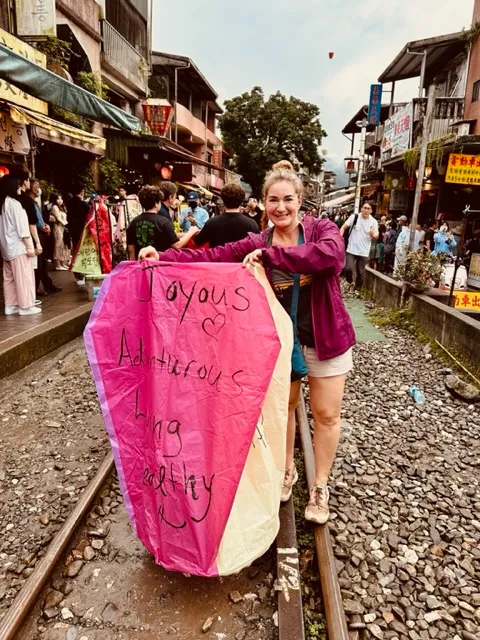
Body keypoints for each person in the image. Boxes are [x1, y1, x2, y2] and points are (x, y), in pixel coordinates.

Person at [138, 166, 356, 525]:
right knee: (283, 409)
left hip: (326, 337)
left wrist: (273, 258)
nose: (281, 207)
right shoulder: (258, 240)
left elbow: (331, 258)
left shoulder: (321, 230)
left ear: (300, 201)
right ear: (263, 204)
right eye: (274, 200)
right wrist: (163, 258)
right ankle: (286, 470)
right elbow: (212, 256)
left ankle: (320, 485)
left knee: (326, 414)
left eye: (288, 199)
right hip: (280, 341)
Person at [0, 176, 41, 315]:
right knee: (24, 276)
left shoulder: (3, 203)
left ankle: (11, 305)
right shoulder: (15, 204)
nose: (20, 187)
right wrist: (30, 247)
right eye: (18, 185)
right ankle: (26, 306)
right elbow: (22, 229)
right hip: (18, 247)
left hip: (7, 248)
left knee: (9, 279)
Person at [126, 185, 199, 259]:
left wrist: (134, 264)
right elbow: (177, 245)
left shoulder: (132, 223)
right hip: (160, 263)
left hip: (141, 263)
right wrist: (190, 232)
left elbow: (131, 250)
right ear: (156, 204)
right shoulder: (163, 222)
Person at [192, 184, 259, 249]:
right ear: (241, 201)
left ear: (223, 200)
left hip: (217, 256)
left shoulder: (211, 223)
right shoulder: (251, 224)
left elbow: (196, 243)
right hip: (243, 257)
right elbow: (258, 247)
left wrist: (192, 231)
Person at [26, 181, 62, 295]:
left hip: (39, 232)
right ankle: (38, 288)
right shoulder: (29, 202)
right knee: (38, 264)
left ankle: (47, 285)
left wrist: (44, 225)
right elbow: (35, 220)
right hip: (36, 234)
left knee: (41, 263)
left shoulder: (33, 202)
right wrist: (43, 227)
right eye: (37, 187)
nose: (39, 189)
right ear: (32, 189)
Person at [340, 202, 379, 290]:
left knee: (361, 273)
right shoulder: (354, 217)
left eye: (368, 208)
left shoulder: (373, 222)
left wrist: (373, 235)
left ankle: (356, 290)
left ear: (371, 211)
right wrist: (339, 236)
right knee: (347, 268)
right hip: (351, 249)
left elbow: (377, 236)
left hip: (364, 251)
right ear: (361, 208)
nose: (366, 210)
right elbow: (343, 227)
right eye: (364, 208)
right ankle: (349, 282)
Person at [67, 183, 90, 285]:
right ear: (82, 191)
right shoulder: (83, 204)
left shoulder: (69, 202)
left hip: (73, 231)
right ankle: (83, 273)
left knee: (75, 252)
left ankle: (77, 274)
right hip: (83, 231)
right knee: (83, 252)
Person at [49, 193, 71, 270]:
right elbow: (58, 218)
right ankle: (58, 265)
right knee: (58, 245)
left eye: (61, 199)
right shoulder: (55, 207)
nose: (60, 200)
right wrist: (66, 224)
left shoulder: (62, 207)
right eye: (58, 199)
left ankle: (62, 263)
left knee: (63, 245)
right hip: (57, 228)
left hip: (63, 228)